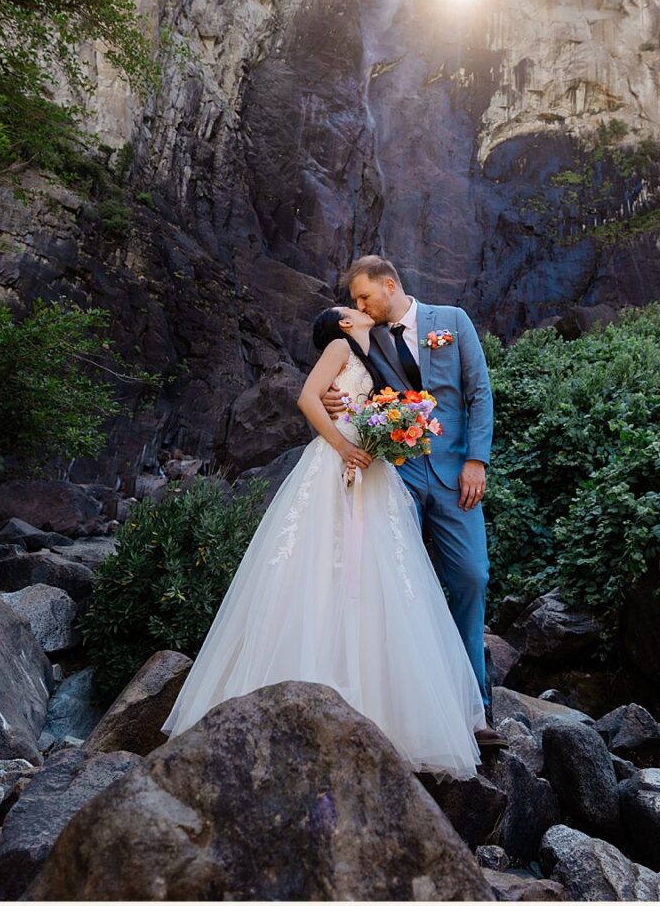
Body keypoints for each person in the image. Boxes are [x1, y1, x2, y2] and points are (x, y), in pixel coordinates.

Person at [160, 303, 488, 776]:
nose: (360, 307)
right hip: (338, 461)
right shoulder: (339, 346)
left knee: (376, 574)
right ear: (342, 323)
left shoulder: (374, 353)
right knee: (319, 563)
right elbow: (307, 399)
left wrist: (383, 435)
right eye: (350, 306)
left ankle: (379, 700)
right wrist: (346, 447)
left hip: (371, 468)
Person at [323, 256, 507, 752]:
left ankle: (476, 704)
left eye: (365, 297)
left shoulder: (452, 321)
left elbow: (479, 393)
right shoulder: (367, 337)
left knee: (471, 576)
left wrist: (478, 461)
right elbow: (336, 381)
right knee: (397, 586)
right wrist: (332, 399)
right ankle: (406, 708)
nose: (360, 306)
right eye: (355, 301)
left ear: (390, 285)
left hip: (454, 476)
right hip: (395, 475)